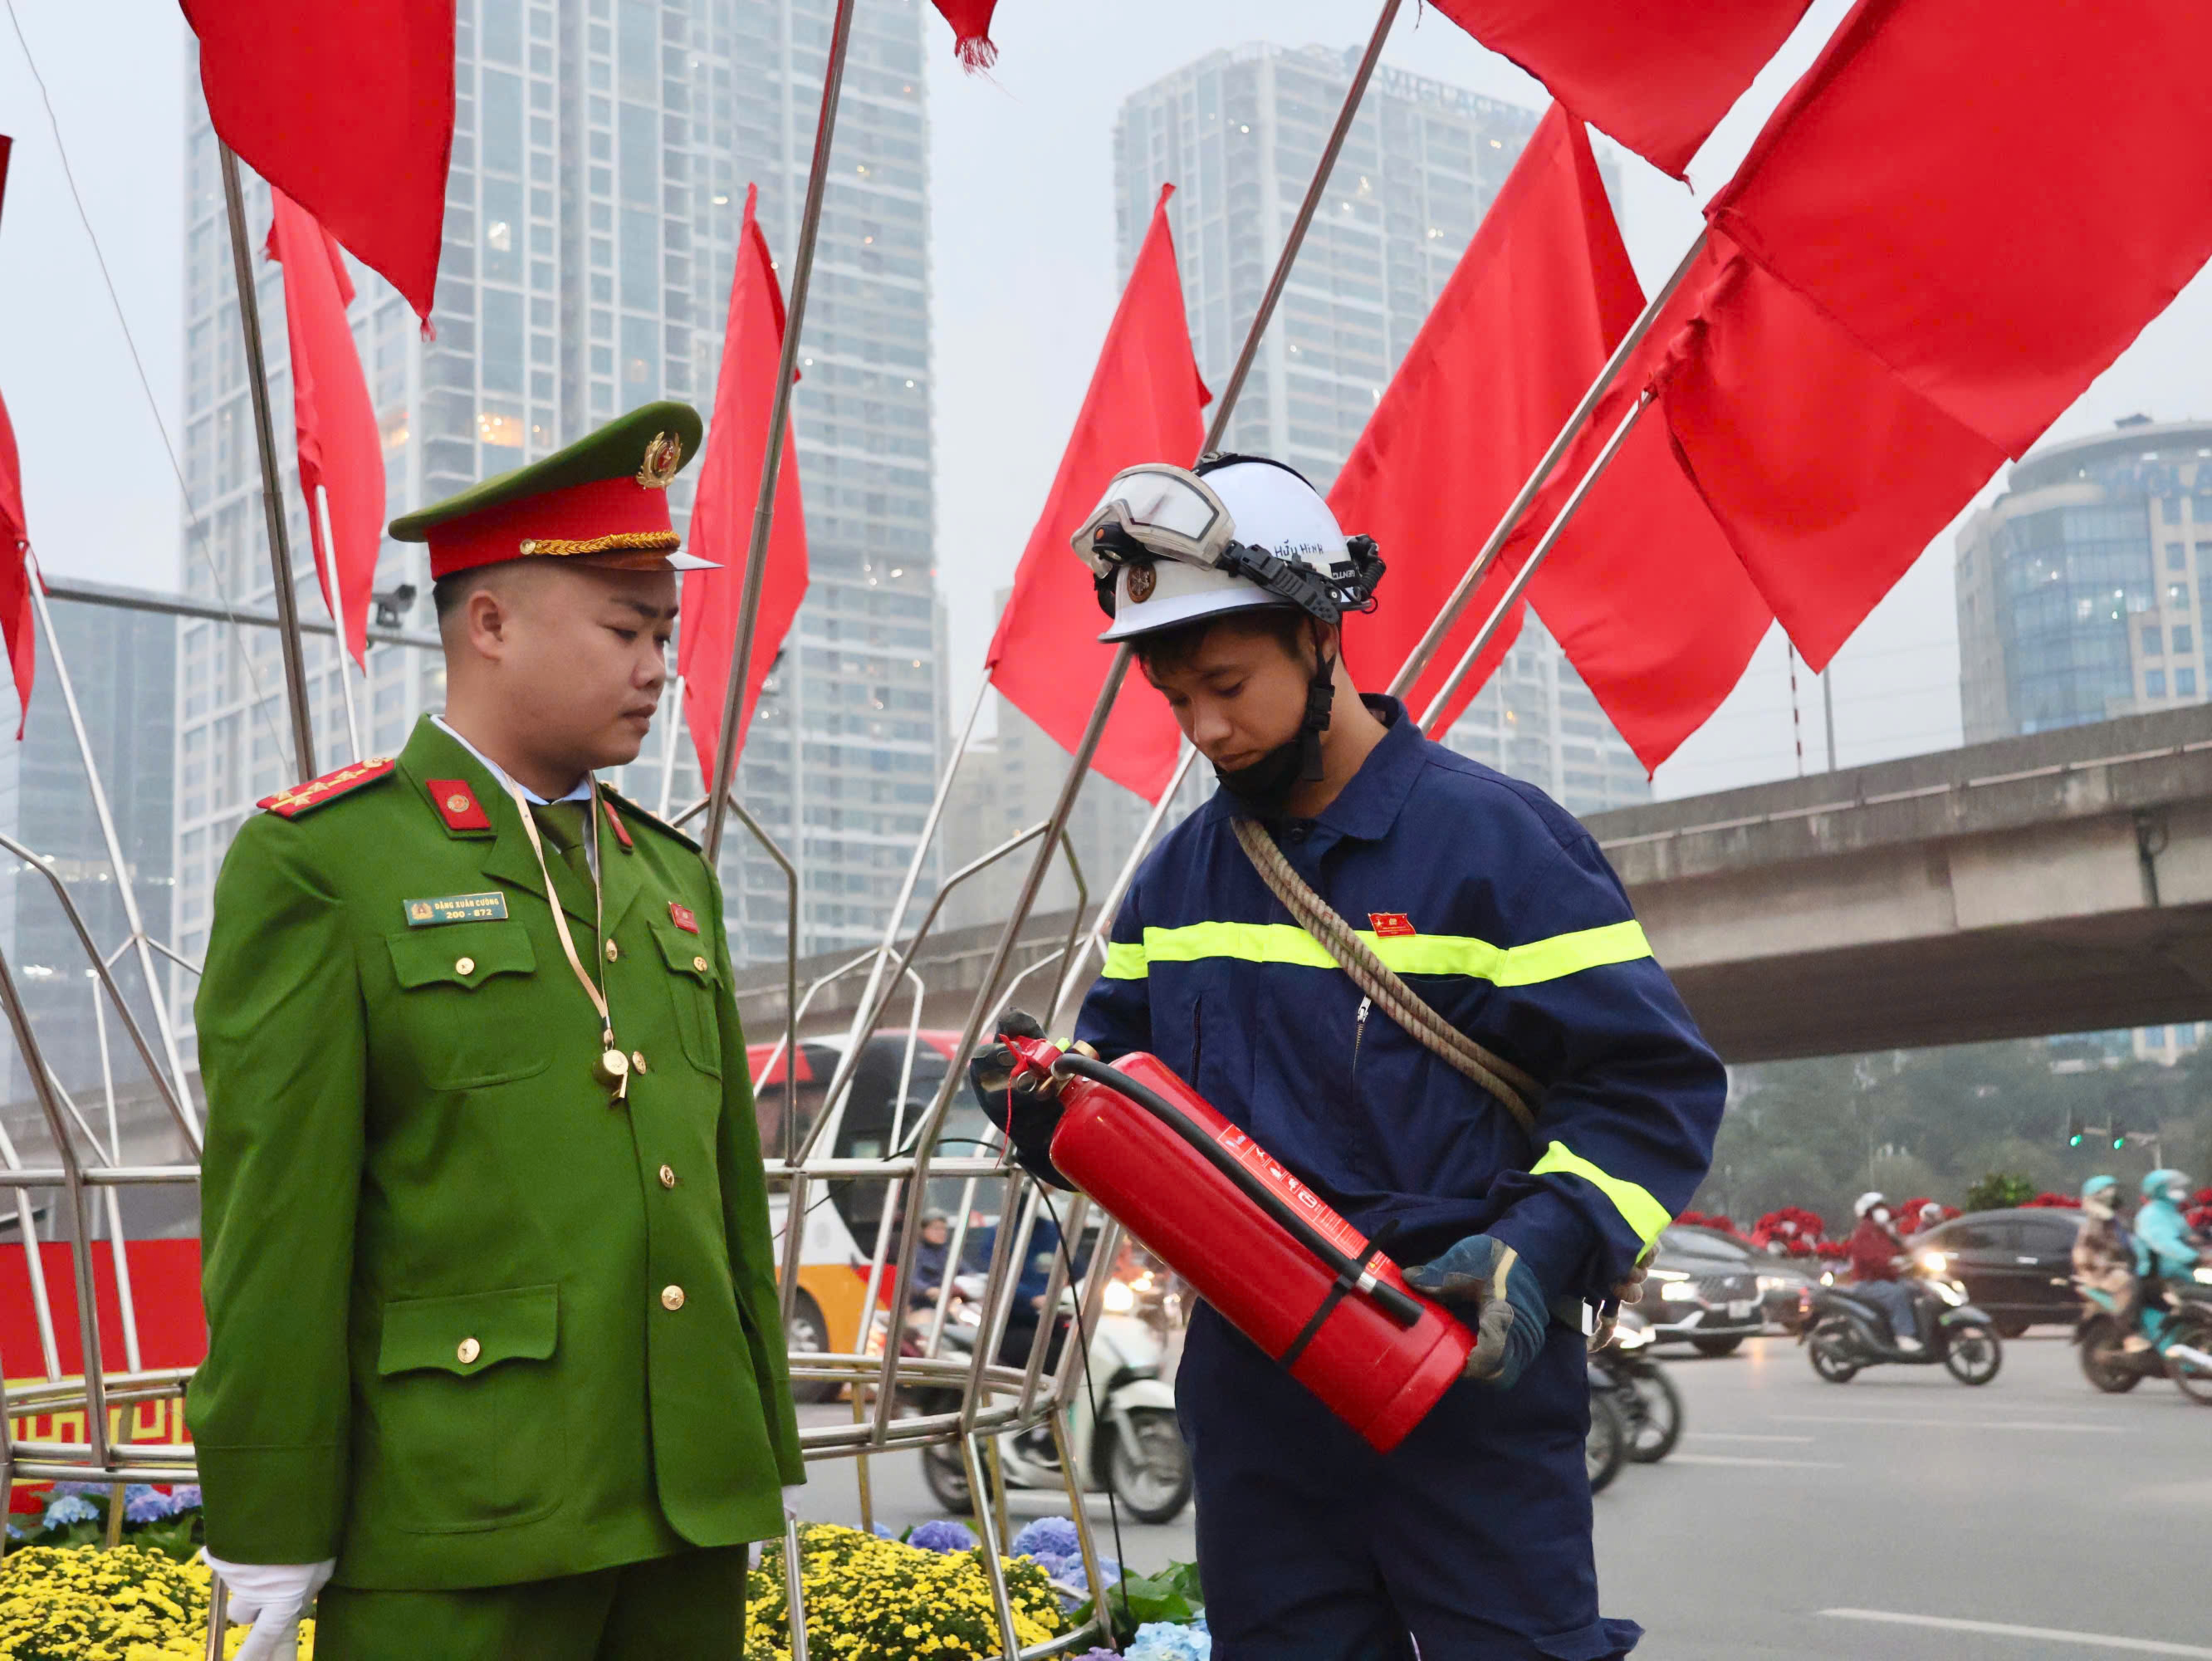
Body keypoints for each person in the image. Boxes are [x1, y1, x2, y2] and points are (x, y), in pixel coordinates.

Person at [974, 456, 1723, 1659]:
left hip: (1461, 1373)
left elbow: (1650, 1085)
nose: (1207, 729)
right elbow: (1118, 1097)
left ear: (1321, 636)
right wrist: (1040, 1108)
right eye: (1178, 701)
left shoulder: (1497, 848)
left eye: (1227, 683)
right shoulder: (1177, 883)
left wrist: (1543, 1247)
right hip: (1260, 1403)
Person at [189, 404, 802, 1661]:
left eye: (665, 634)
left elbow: (726, 1189)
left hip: (685, 1507)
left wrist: (757, 1452)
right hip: (460, 1514)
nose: (657, 667)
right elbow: (278, 1223)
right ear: (490, 623)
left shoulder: (668, 877)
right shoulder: (330, 863)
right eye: (626, 630)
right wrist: (269, 1509)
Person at [2073, 1174, 2144, 1349]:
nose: (2112, 1193)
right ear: (2096, 1194)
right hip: (2101, 1273)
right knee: (2129, 1284)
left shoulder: (2115, 1218)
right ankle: (2129, 1334)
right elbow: (2087, 1256)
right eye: (2107, 1190)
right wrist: (2116, 1264)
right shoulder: (2094, 1223)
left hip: (2119, 1266)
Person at [1845, 1192, 1919, 1350]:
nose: (1882, 1211)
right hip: (1868, 1282)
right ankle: (1904, 1335)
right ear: (1868, 1212)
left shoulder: (1885, 1231)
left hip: (1887, 1278)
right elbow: (1871, 1260)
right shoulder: (1864, 1233)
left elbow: (1902, 1250)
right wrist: (1892, 1264)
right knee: (1897, 1294)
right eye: (1877, 1208)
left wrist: (1911, 1256)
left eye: (1883, 1207)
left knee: (1918, 1289)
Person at [2134, 1168, 2207, 1304]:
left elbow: (2188, 1236)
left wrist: (2200, 1243)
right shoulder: (2152, 1215)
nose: (2179, 1190)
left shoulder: (2171, 1212)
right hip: (2162, 1277)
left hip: (2184, 1271)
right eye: (2173, 1187)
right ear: (2159, 1190)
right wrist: (2195, 1257)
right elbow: (2165, 1244)